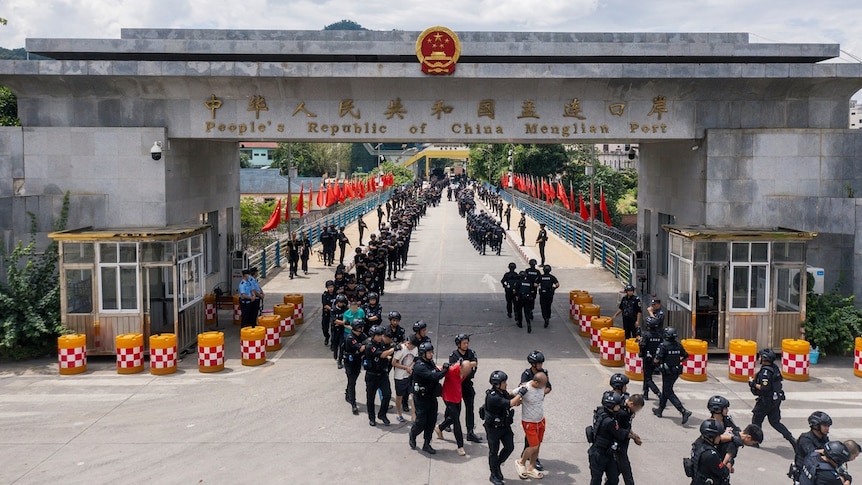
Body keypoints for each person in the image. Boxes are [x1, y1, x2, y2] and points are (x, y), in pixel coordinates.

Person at [749, 348, 797, 450]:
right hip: (776, 400)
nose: (759, 358)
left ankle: (755, 441)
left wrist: (753, 384)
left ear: (764, 359)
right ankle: (791, 438)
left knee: (756, 420)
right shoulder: (775, 368)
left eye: (760, 357)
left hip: (766, 401)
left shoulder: (765, 372)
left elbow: (764, 388)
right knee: (775, 422)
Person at [483, 370, 526, 485]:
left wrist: (519, 392)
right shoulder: (492, 396)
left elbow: (510, 396)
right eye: (504, 382)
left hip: (505, 426)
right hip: (493, 429)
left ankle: (496, 465)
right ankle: (493, 474)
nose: (506, 384)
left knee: (509, 447)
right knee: (493, 451)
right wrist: (521, 393)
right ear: (497, 384)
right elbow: (510, 403)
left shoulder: (502, 392)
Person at [408, 342, 448, 455]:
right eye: (429, 352)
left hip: (431, 397)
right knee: (421, 422)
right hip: (421, 399)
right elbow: (433, 376)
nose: (431, 354)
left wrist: (441, 370)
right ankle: (413, 434)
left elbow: (434, 371)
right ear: (423, 353)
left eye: (431, 352)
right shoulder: (420, 366)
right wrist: (445, 370)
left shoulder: (429, 362)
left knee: (431, 422)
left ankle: (427, 443)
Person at [434, 355, 477, 456]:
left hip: (457, 396)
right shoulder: (452, 370)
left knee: (453, 418)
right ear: (460, 367)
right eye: (464, 371)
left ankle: (440, 427)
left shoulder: (467, 370)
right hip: (448, 396)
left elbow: (474, 363)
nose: (464, 374)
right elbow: (438, 368)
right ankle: (460, 446)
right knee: (456, 421)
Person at [652, 326, 693, 424]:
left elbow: (656, 359)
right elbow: (686, 357)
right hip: (676, 371)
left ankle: (683, 411)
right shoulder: (678, 345)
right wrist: (679, 361)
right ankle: (660, 410)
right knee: (666, 389)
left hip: (667, 372)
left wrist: (655, 362)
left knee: (668, 391)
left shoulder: (663, 346)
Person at [588, 391, 630, 485]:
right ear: (611, 406)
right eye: (617, 405)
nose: (619, 407)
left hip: (607, 453)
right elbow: (620, 434)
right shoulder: (609, 421)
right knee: (596, 480)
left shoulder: (601, 412)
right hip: (599, 454)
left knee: (613, 478)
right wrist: (628, 429)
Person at [521, 350, 552, 472]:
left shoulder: (543, 374)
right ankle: (525, 457)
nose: (541, 366)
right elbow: (522, 389)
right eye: (539, 363)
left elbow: (549, 387)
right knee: (530, 437)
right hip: (529, 409)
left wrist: (541, 393)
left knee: (536, 437)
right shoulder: (526, 374)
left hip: (538, 408)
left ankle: (532, 457)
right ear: (533, 364)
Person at [449, 334, 482, 443]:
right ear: (458, 344)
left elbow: (474, 363)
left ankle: (470, 431)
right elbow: (453, 368)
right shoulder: (453, 355)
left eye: (467, 342)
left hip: (467, 384)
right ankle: (446, 423)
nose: (466, 345)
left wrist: (462, 365)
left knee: (470, 408)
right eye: (464, 343)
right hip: (457, 385)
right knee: (454, 408)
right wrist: (466, 365)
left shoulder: (471, 352)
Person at [514, 372, 548, 480]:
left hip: (541, 421)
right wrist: (518, 399)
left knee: (538, 445)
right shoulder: (525, 388)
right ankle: (521, 462)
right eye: (543, 384)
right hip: (529, 422)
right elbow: (512, 393)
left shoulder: (541, 387)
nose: (544, 387)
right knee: (533, 446)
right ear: (536, 382)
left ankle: (531, 467)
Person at [364, 325, 395, 427]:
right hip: (372, 375)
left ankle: (382, 414)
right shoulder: (370, 346)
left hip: (382, 374)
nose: (380, 336)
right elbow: (381, 354)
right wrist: (393, 349)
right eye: (378, 335)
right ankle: (371, 418)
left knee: (387, 394)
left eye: (381, 335)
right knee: (370, 398)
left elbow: (388, 345)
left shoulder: (381, 343)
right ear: (373, 336)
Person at [687, 419, 731, 485]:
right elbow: (722, 471)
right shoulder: (710, 454)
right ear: (711, 436)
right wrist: (729, 462)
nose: (720, 437)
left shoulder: (698, 443)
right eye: (718, 435)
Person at [614, 393, 644, 485]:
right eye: (637, 409)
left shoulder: (628, 410)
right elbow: (620, 430)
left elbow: (627, 426)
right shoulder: (622, 413)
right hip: (619, 445)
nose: (637, 411)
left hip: (623, 444)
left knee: (617, 469)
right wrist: (633, 437)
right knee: (626, 470)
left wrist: (633, 434)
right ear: (631, 404)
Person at [793, 412, 833, 480]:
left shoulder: (824, 438)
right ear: (816, 425)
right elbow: (812, 454)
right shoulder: (805, 439)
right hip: (805, 474)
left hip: (818, 470)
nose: (827, 428)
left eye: (828, 426)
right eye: (825, 426)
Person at [638, 302, 663, 400]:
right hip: (656, 358)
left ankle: (658, 393)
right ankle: (645, 393)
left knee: (648, 378)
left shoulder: (646, 335)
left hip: (647, 358)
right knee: (647, 375)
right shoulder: (660, 335)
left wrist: (640, 349)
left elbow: (643, 345)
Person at [342, 318, 366, 415]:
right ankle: (353, 403)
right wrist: (366, 344)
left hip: (357, 362)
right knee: (352, 382)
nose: (362, 329)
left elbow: (367, 340)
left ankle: (348, 393)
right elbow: (360, 348)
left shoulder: (361, 335)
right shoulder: (350, 338)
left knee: (353, 380)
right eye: (360, 327)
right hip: (349, 363)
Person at [392, 335, 418, 423]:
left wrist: (411, 367)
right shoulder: (401, 349)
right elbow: (394, 363)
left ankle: (413, 415)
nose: (407, 344)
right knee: (399, 397)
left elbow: (415, 359)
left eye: (410, 344)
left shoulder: (415, 349)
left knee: (413, 395)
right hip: (399, 377)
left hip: (409, 375)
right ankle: (399, 414)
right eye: (407, 342)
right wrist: (405, 367)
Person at [329, 294, 349, 369]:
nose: (341, 304)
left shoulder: (345, 308)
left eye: (342, 302)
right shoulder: (333, 309)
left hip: (342, 330)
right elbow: (335, 321)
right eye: (340, 302)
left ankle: (340, 360)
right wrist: (343, 322)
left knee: (342, 345)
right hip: (335, 329)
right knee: (335, 343)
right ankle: (335, 351)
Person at [320, 280, 336, 346]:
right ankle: (327, 336)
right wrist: (332, 309)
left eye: (332, 287)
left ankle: (333, 342)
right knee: (324, 328)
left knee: (333, 329)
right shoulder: (325, 295)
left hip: (334, 314)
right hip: (326, 313)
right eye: (329, 287)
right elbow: (325, 305)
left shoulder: (336, 294)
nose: (331, 288)